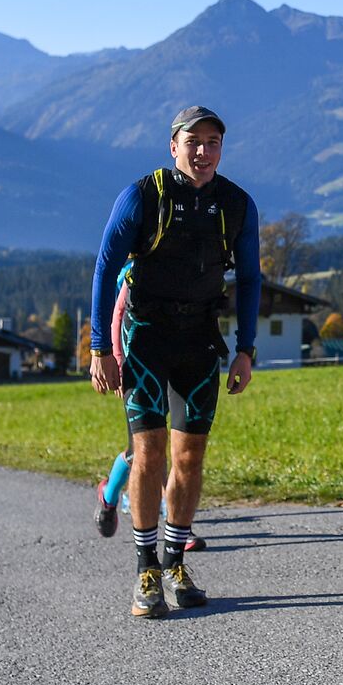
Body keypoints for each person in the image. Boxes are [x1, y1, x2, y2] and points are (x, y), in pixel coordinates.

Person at [88, 105, 261, 619]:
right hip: (145, 337)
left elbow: (250, 280)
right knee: (149, 453)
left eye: (213, 142)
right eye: (194, 142)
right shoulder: (142, 196)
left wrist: (247, 348)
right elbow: (105, 267)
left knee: (190, 457)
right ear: (173, 146)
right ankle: (145, 568)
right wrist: (101, 347)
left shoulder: (236, 204)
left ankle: (174, 560)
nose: (204, 152)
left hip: (202, 341)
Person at [92, 271, 205, 552]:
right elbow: (117, 316)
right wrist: (118, 363)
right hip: (136, 367)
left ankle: (177, 524)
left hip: (170, 361)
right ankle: (109, 496)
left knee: (172, 444)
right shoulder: (129, 269)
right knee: (140, 451)